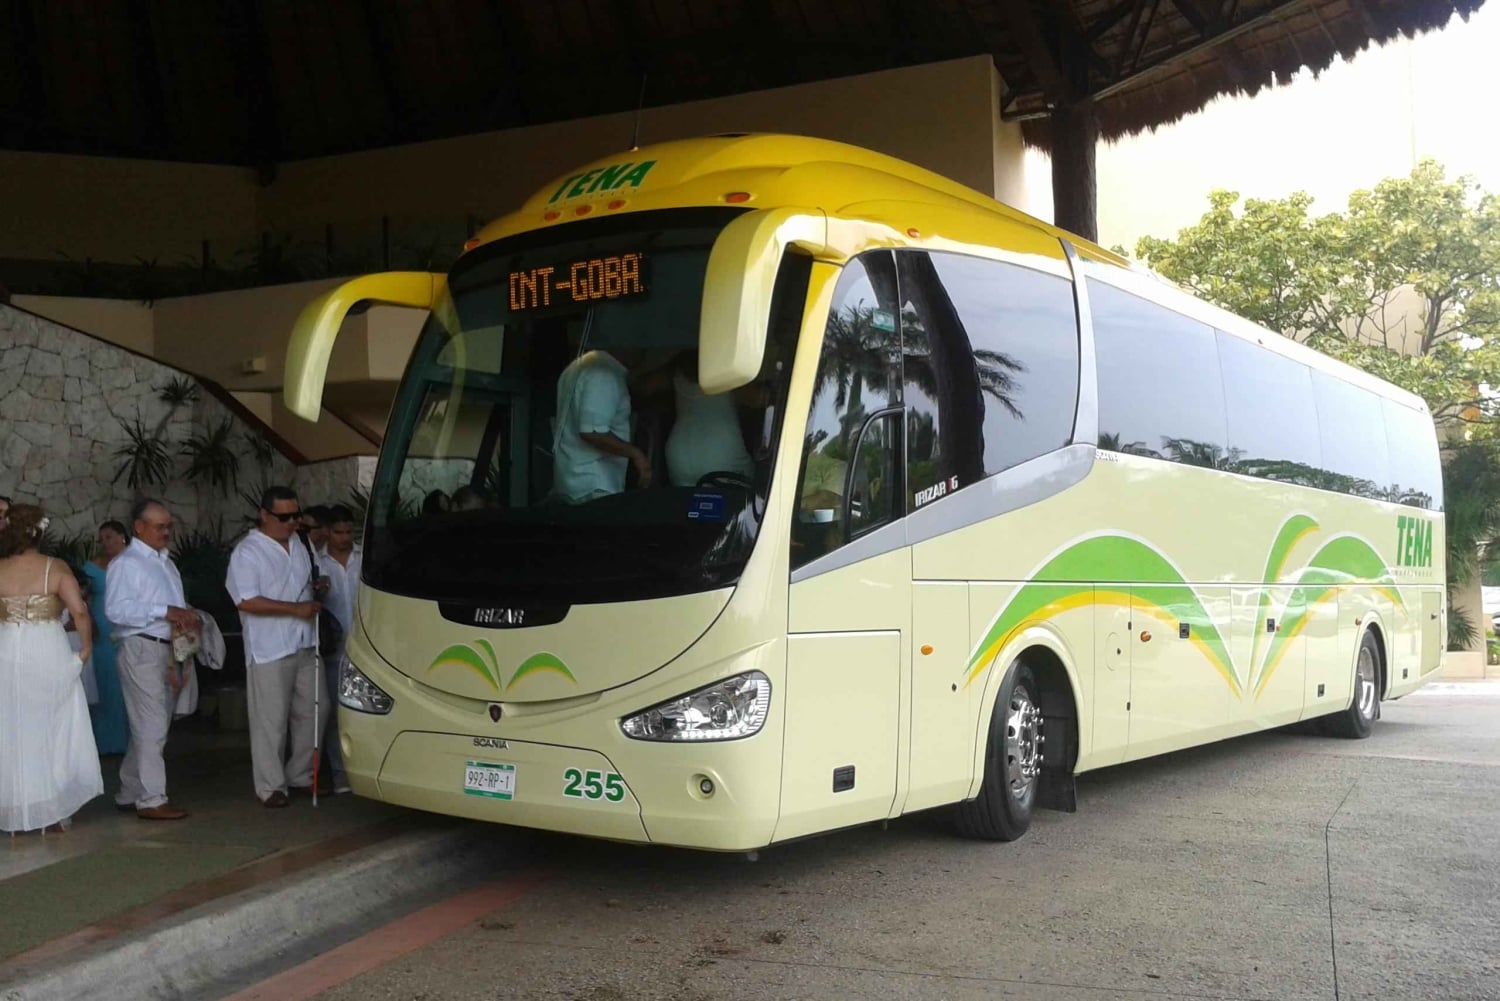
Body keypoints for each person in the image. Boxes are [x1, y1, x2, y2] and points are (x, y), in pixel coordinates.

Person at [0, 504, 104, 834]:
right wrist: (85, 648)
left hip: (7, 648)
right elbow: (80, 611)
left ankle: (14, 811)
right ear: (39, 533)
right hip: (46, 648)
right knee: (54, 723)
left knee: (12, 726)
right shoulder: (54, 567)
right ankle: (52, 809)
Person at [227, 486, 328, 808]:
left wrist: (319, 586)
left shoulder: (302, 543)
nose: (292, 522)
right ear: (264, 515)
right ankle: (270, 786)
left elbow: (310, 580)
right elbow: (246, 600)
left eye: (295, 516)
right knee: (270, 721)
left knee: (316, 709)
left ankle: (300, 775)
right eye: (284, 517)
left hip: (306, 641)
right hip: (269, 647)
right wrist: (294, 609)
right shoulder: (247, 552)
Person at [105, 499, 195, 820]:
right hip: (141, 648)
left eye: (169, 526)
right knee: (152, 725)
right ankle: (152, 799)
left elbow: (174, 607)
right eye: (160, 527)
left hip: (169, 648)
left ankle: (130, 791)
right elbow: (116, 611)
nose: (166, 532)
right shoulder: (126, 563)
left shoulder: (166, 563)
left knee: (153, 725)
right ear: (139, 527)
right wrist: (164, 611)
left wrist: (186, 618)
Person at [551, 346, 650, 503]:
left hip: (573, 482)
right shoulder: (604, 374)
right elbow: (592, 432)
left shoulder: (579, 365)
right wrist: (636, 454)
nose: (645, 352)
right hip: (594, 485)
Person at [316, 504, 361, 795]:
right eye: (337, 532)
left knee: (361, 714)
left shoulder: (364, 558)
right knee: (334, 714)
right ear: (327, 532)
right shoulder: (316, 562)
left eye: (348, 532)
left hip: (362, 649)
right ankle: (339, 773)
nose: (343, 538)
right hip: (333, 650)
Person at [85, 520, 130, 755]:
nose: (105, 542)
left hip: (129, 625)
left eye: (109, 536)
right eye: (101, 539)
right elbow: (80, 597)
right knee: (105, 681)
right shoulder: (92, 568)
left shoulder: (135, 563)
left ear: (123, 536)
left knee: (129, 682)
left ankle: (133, 741)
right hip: (101, 628)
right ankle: (105, 741)